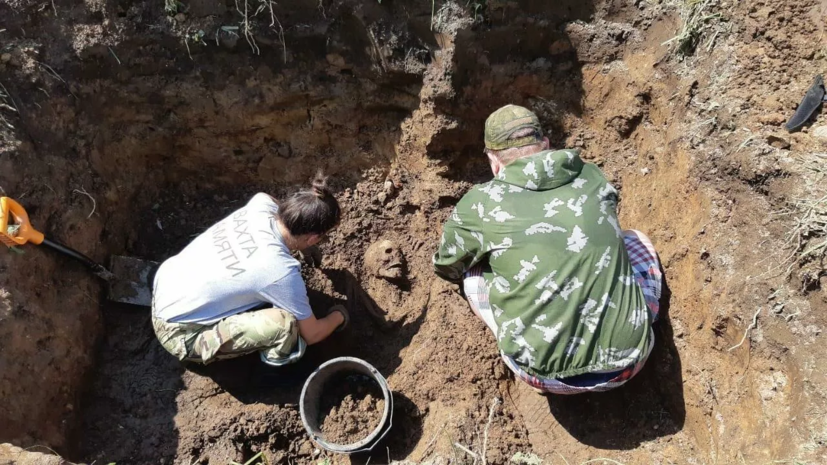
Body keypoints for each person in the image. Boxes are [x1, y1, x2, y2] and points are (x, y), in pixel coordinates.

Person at [433, 105, 662, 394]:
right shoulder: (590, 175)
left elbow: (446, 265)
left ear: (493, 160)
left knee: (473, 275)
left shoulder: (480, 203)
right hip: (630, 360)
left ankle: (530, 364)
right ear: (545, 145)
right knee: (633, 238)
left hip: (543, 375)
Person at [151, 174, 348, 366]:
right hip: (180, 332)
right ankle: (275, 365)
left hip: (166, 283)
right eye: (321, 238)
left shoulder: (261, 205)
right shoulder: (280, 272)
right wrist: (338, 316)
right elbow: (312, 334)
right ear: (313, 238)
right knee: (283, 325)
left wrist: (304, 246)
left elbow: (269, 198)